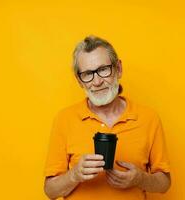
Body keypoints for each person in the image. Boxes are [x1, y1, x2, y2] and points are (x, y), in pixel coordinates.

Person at [44, 35, 171, 200]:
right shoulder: (64, 119)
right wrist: (74, 175)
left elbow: (164, 183)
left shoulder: (149, 118)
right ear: (79, 81)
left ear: (118, 68)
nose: (97, 82)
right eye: (88, 74)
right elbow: (50, 191)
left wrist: (140, 179)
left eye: (103, 69)